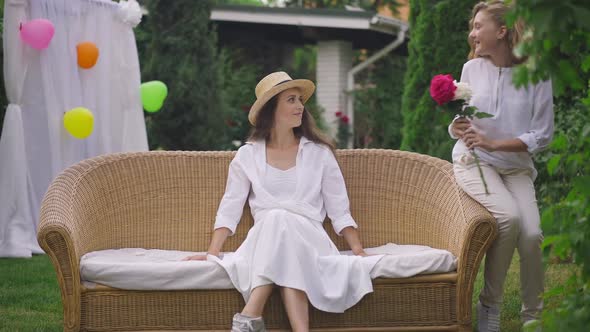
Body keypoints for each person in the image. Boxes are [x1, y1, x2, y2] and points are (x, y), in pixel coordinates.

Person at [184, 71, 383, 332]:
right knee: (278, 222)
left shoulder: (319, 154)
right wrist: (213, 251)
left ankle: (250, 315)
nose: (300, 106)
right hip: (264, 241)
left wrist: (357, 249)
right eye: (291, 100)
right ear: (271, 109)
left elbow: (339, 207)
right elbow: (230, 206)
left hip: (309, 240)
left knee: (281, 221)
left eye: (300, 100)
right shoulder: (247, 156)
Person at [448, 1, 554, 331]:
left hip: (515, 166)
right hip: (473, 161)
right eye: (473, 26)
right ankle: (489, 307)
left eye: (480, 26)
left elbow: (543, 134)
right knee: (508, 217)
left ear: (503, 31)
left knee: (533, 234)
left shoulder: (536, 73)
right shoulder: (471, 70)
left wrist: (496, 143)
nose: (473, 32)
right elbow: (461, 119)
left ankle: (532, 316)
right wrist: (457, 126)